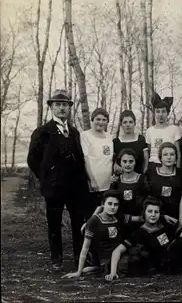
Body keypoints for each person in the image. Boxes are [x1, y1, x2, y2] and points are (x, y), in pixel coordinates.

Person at [27, 89, 89, 271]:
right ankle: (57, 259)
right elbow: (32, 159)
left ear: (69, 108)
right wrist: (46, 177)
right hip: (53, 188)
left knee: (78, 222)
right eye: (58, 105)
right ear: (52, 107)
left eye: (65, 105)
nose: (62, 108)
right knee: (54, 223)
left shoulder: (76, 133)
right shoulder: (42, 132)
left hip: (75, 188)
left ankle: (79, 257)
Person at [104, 197, 182, 280]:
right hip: (165, 264)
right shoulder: (140, 233)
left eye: (156, 212)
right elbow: (117, 250)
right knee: (180, 244)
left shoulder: (165, 225)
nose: (153, 214)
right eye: (149, 211)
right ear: (144, 213)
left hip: (180, 257)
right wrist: (113, 272)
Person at [62, 191, 123, 279]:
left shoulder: (118, 217)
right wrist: (79, 271)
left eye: (116, 204)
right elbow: (85, 247)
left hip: (119, 255)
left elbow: (135, 219)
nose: (112, 207)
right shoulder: (94, 221)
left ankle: (95, 268)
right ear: (103, 204)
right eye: (109, 204)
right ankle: (97, 267)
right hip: (105, 260)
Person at [80, 108, 114, 220]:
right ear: (92, 120)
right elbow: (85, 159)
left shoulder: (109, 137)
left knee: (105, 215)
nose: (101, 122)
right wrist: (92, 180)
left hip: (108, 184)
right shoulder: (85, 135)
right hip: (93, 185)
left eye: (104, 120)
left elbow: (110, 158)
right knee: (91, 216)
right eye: (98, 119)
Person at [110, 148, 149, 238]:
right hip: (121, 222)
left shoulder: (142, 179)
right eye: (124, 161)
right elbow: (109, 202)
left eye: (131, 161)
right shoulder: (116, 181)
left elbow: (148, 201)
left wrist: (141, 218)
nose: (127, 164)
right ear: (120, 163)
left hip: (140, 222)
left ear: (135, 162)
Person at [145, 93, 182, 174]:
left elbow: (178, 153)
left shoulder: (174, 129)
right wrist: (146, 168)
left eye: (163, 111)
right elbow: (148, 152)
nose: (160, 114)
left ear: (167, 113)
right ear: (154, 113)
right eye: (158, 112)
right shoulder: (149, 131)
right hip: (153, 165)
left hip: (170, 165)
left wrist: (178, 170)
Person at [147, 142, 182, 219]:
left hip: (175, 217)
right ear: (160, 157)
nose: (169, 157)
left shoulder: (180, 173)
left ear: (176, 157)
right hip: (155, 217)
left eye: (172, 154)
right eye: (165, 154)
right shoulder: (151, 172)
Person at [113, 110, 148, 175]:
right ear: (121, 125)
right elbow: (112, 160)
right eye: (125, 122)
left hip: (139, 178)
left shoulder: (141, 139)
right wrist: (115, 165)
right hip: (121, 179)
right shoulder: (116, 142)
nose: (128, 125)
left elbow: (146, 160)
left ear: (134, 124)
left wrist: (144, 173)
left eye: (130, 122)